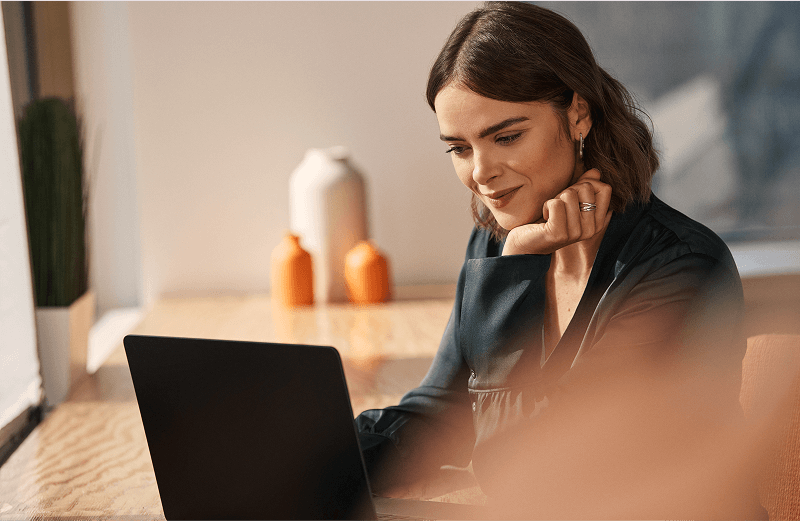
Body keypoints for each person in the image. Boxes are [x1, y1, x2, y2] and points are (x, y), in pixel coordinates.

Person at [357, 3, 765, 519]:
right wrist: (305, 459)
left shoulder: (681, 270)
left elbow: (528, 475)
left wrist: (515, 269)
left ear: (578, 114)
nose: (482, 173)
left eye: (506, 137)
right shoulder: (494, 243)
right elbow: (443, 412)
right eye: (460, 148)